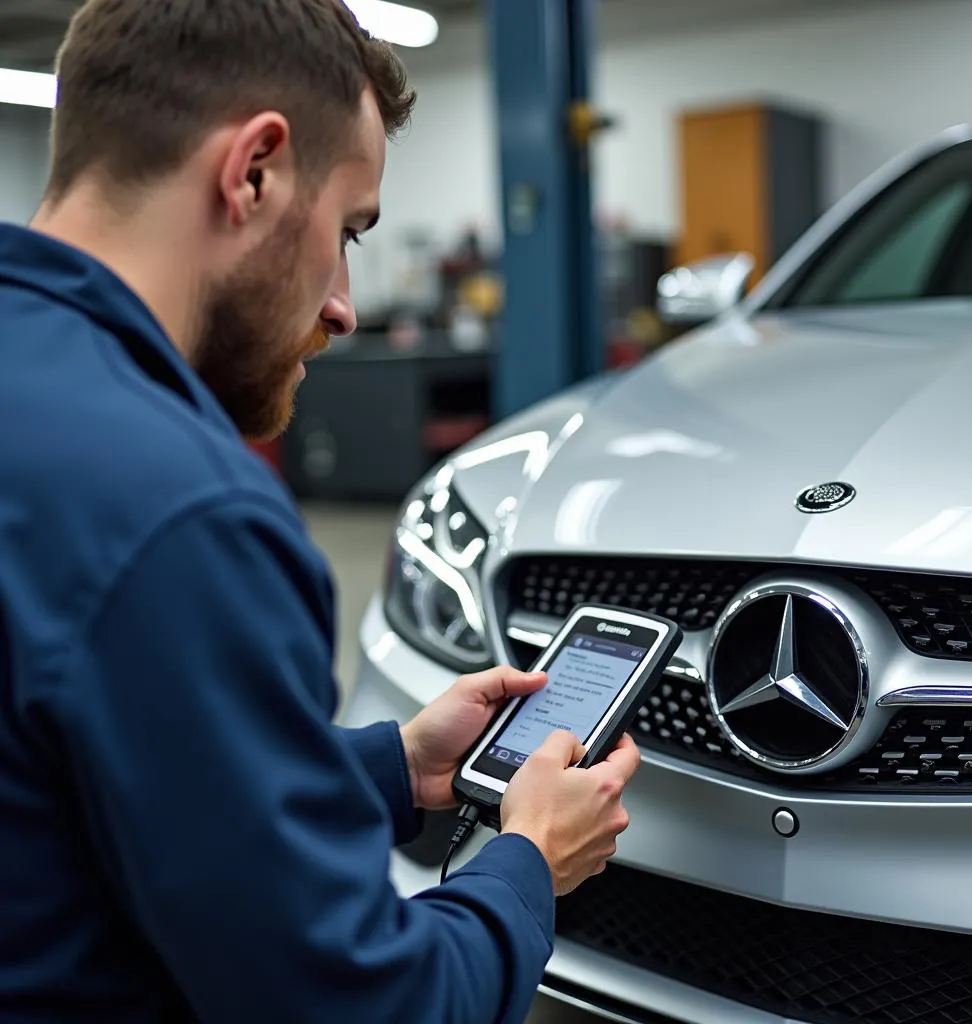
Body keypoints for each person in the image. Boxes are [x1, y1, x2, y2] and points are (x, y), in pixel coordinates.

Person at [0, 1, 643, 1022]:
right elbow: (369, 1003)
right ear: (253, 171)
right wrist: (526, 861)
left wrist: (393, 765)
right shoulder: (187, 515)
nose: (344, 301)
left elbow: (95, 771)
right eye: (346, 231)